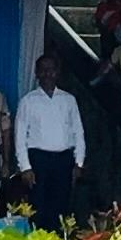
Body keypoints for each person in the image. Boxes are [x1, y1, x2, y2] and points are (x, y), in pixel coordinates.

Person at [15, 53, 86, 228]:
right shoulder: (28, 101)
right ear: (37, 73)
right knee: (38, 207)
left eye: (51, 70)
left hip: (64, 160)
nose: (47, 74)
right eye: (43, 70)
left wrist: (79, 163)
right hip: (38, 160)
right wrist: (25, 167)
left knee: (61, 206)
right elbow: (20, 136)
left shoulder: (69, 100)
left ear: (57, 72)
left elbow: (78, 132)